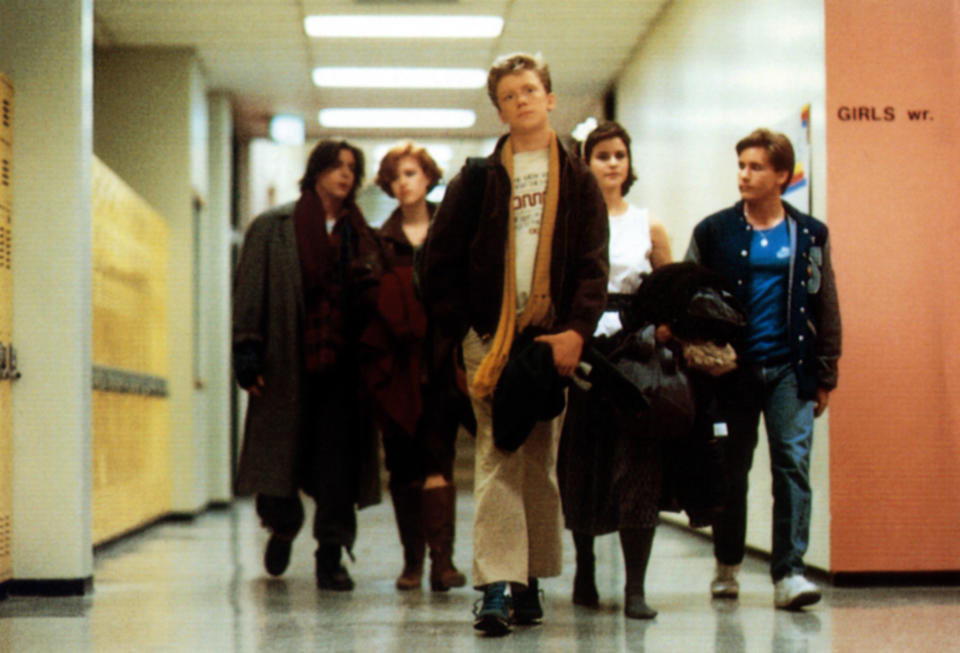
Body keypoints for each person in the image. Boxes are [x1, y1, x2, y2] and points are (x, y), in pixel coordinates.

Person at [422, 52, 609, 637]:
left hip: (551, 338)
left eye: (530, 90)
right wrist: (464, 331)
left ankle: (529, 579)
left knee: (538, 460)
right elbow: (434, 264)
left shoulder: (577, 179)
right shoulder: (478, 178)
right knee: (498, 453)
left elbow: (591, 265)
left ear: (550, 99)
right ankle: (498, 586)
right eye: (509, 95)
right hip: (490, 339)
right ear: (499, 109)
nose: (522, 101)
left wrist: (577, 331)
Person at [685, 128, 841, 610]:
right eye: (741, 166)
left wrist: (827, 371)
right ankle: (727, 564)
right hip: (732, 372)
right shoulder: (715, 232)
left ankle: (789, 574)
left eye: (755, 167)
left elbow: (824, 301)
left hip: (790, 370)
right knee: (733, 469)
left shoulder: (809, 234)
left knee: (792, 467)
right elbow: (686, 294)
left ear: (781, 175)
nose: (744, 175)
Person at [232, 139, 383, 591]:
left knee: (338, 468)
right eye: (336, 166)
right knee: (280, 463)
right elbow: (250, 292)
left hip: (344, 369)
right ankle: (282, 525)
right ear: (316, 171)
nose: (345, 174)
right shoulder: (273, 226)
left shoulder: (362, 235)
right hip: (287, 362)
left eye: (352, 168)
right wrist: (247, 350)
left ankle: (331, 555)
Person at [557, 120, 672, 620]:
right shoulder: (571, 225)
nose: (611, 163)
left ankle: (635, 587)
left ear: (629, 163)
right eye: (601, 154)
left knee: (638, 467)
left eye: (619, 154)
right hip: (585, 350)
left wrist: (661, 332)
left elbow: (671, 293)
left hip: (635, 352)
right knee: (583, 461)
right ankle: (584, 568)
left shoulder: (650, 225)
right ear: (585, 163)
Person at [361, 141, 469, 592]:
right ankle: (412, 562)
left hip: (441, 362)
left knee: (437, 458)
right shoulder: (378, 240)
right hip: (395, 368)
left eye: (411, 173)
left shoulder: (450, 234)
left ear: (428, 178)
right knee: (402, 465)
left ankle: (442, 562)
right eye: (396, 176)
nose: (404, 182)